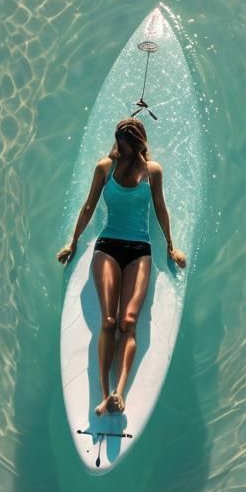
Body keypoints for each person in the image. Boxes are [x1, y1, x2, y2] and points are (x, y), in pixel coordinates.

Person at [58, 117, 187, 416]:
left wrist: (170, 245)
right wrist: (73, 242)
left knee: (128, 321)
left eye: (126, 147)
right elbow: (89, 206)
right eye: (118, 145)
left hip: (140, 249)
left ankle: (119, 393)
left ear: (138, 145)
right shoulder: (105, 167)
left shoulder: (152, 171)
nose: (120, 151)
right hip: (108, 247)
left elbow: (160, 209)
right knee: (108, 320)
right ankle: (104, 394)